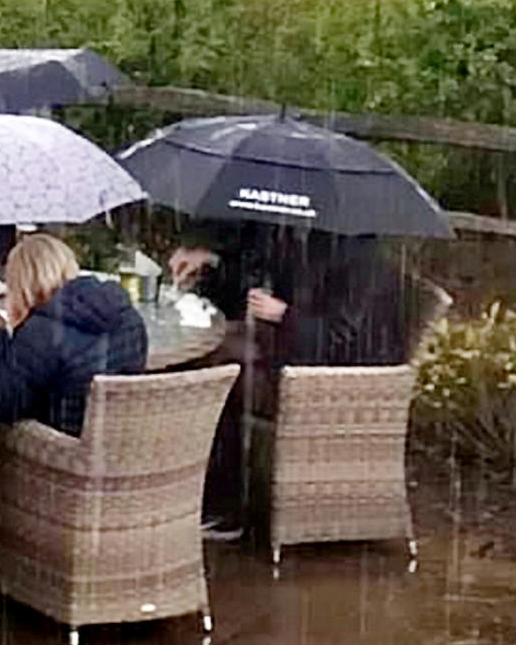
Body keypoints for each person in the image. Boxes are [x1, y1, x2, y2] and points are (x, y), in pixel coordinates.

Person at [167, 222, 407, 536]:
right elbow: (255, 271)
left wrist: (283, 314)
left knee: (223, 374)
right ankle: (191, 485)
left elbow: (342, 337)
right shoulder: (306, 236)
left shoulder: (359, 256)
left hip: (338, 379)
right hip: (295, 351)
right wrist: (212, 259)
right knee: (211, 346)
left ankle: (227, 506)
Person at [0, 233, 147, 436]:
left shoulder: (41, 332)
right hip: (126, 441)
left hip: (64, 453)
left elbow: (7, 407)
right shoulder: (127, 315)